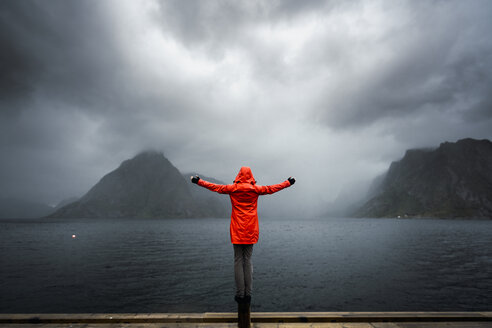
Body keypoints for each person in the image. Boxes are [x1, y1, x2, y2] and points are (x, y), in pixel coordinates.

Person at [191, 166, 295, 305]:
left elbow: (214, 187)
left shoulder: (232, 188)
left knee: (238, 261)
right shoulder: (256, 189)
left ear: (239, 176)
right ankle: (248, 294)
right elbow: (272, 188)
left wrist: (198, 181)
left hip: (237, 230)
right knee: (248, 260)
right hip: (251, 229)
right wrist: (288, 182)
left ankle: (240, 295)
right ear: (251, 176)